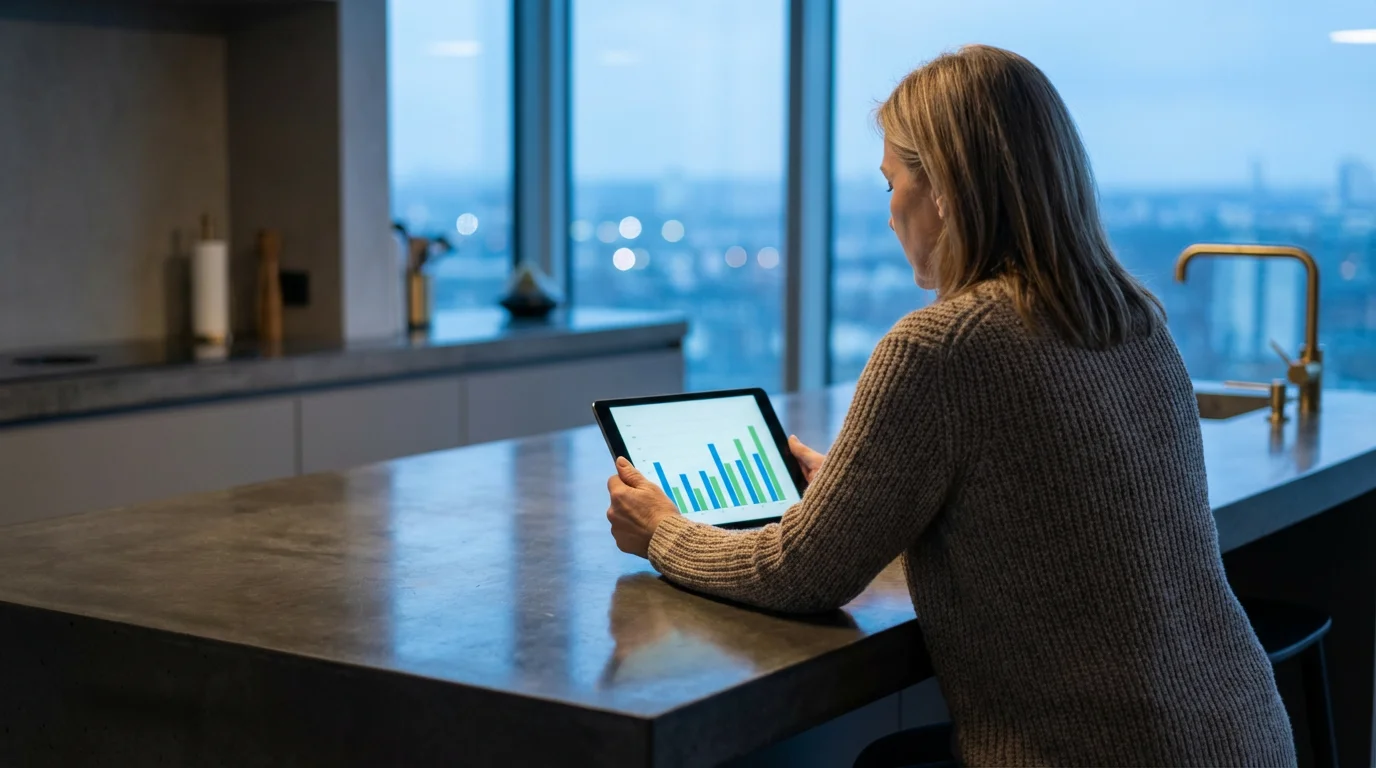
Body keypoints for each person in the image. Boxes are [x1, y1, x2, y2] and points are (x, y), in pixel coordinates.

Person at [605, 44, 1294, 766]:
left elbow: (799, 574)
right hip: (1241, 734)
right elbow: (1046, 532)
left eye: (890, 183)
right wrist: (864, 494)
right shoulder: (1133, 318)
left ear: (942, 191)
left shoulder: (942, 346)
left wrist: (662, 532)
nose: (889, 214)